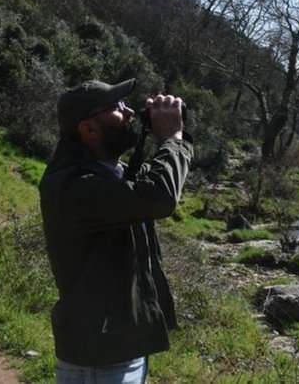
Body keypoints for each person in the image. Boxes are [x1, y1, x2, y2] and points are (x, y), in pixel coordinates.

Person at [39, 79, 192, 383]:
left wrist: (172, 134)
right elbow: (159, 197)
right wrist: (173, 139)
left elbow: (148, 185)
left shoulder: (111, 173)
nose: (130, 112)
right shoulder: (72, 186)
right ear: (89, 129)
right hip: (99, 356)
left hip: (121, 346)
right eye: (116, 107)